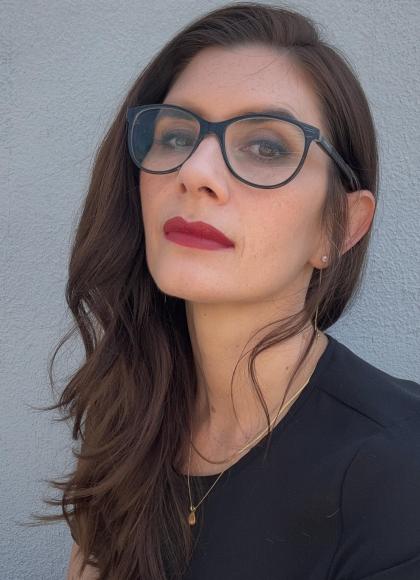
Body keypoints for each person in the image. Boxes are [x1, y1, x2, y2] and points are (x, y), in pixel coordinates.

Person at [33, 2, 420, 579]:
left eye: (266, 147)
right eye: (175, 136)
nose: (195, 172)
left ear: (340, 227)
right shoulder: (128, 417)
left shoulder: (400, 468)